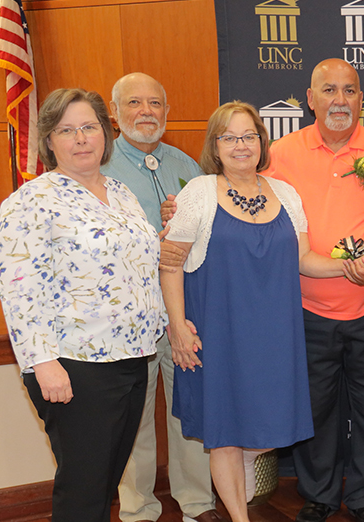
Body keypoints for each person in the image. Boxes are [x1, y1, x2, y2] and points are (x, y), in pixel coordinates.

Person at [161, 101, 347, 522]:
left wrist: (349, 266)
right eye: (229, 137)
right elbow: (170, 261)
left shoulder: (285, 194)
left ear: (262, 143)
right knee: (225, 433)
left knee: (265, 427)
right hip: (218, 333)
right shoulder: (198, 193)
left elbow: (304, 259)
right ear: (215, 145)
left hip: (274, 336)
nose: (240, 145)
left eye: (249, 136)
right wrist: (178, 325)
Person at [0, 88, 164, 522]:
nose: (81, 138)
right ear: (49, 141)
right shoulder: (31, 201)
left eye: (89, 127)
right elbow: (19, 289)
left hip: (132, 356)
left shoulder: (121, 192)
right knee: (83, 491)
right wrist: (42, 361)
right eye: (67, 130)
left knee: (104, 483)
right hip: (74, 364)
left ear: (105, 134)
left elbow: (130, 262)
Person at [263, 58, 364, 522]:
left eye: (350, 90)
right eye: (329, 90)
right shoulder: (280, 154)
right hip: (306, 309)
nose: (339, 100)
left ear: (362, 99)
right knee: (316, 410)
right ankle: (320, 495)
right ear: (310, 99)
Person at [101, 72, 218, 522]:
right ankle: (138, 508)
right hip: (128, 316)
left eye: (155, 104)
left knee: (187, 405)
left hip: (182, 313)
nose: (145, 112)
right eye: (134, 103)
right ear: (114, 113)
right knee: (136, 415)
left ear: (167, 113)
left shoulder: (188, 166)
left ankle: (197, 501)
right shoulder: (101, 169)